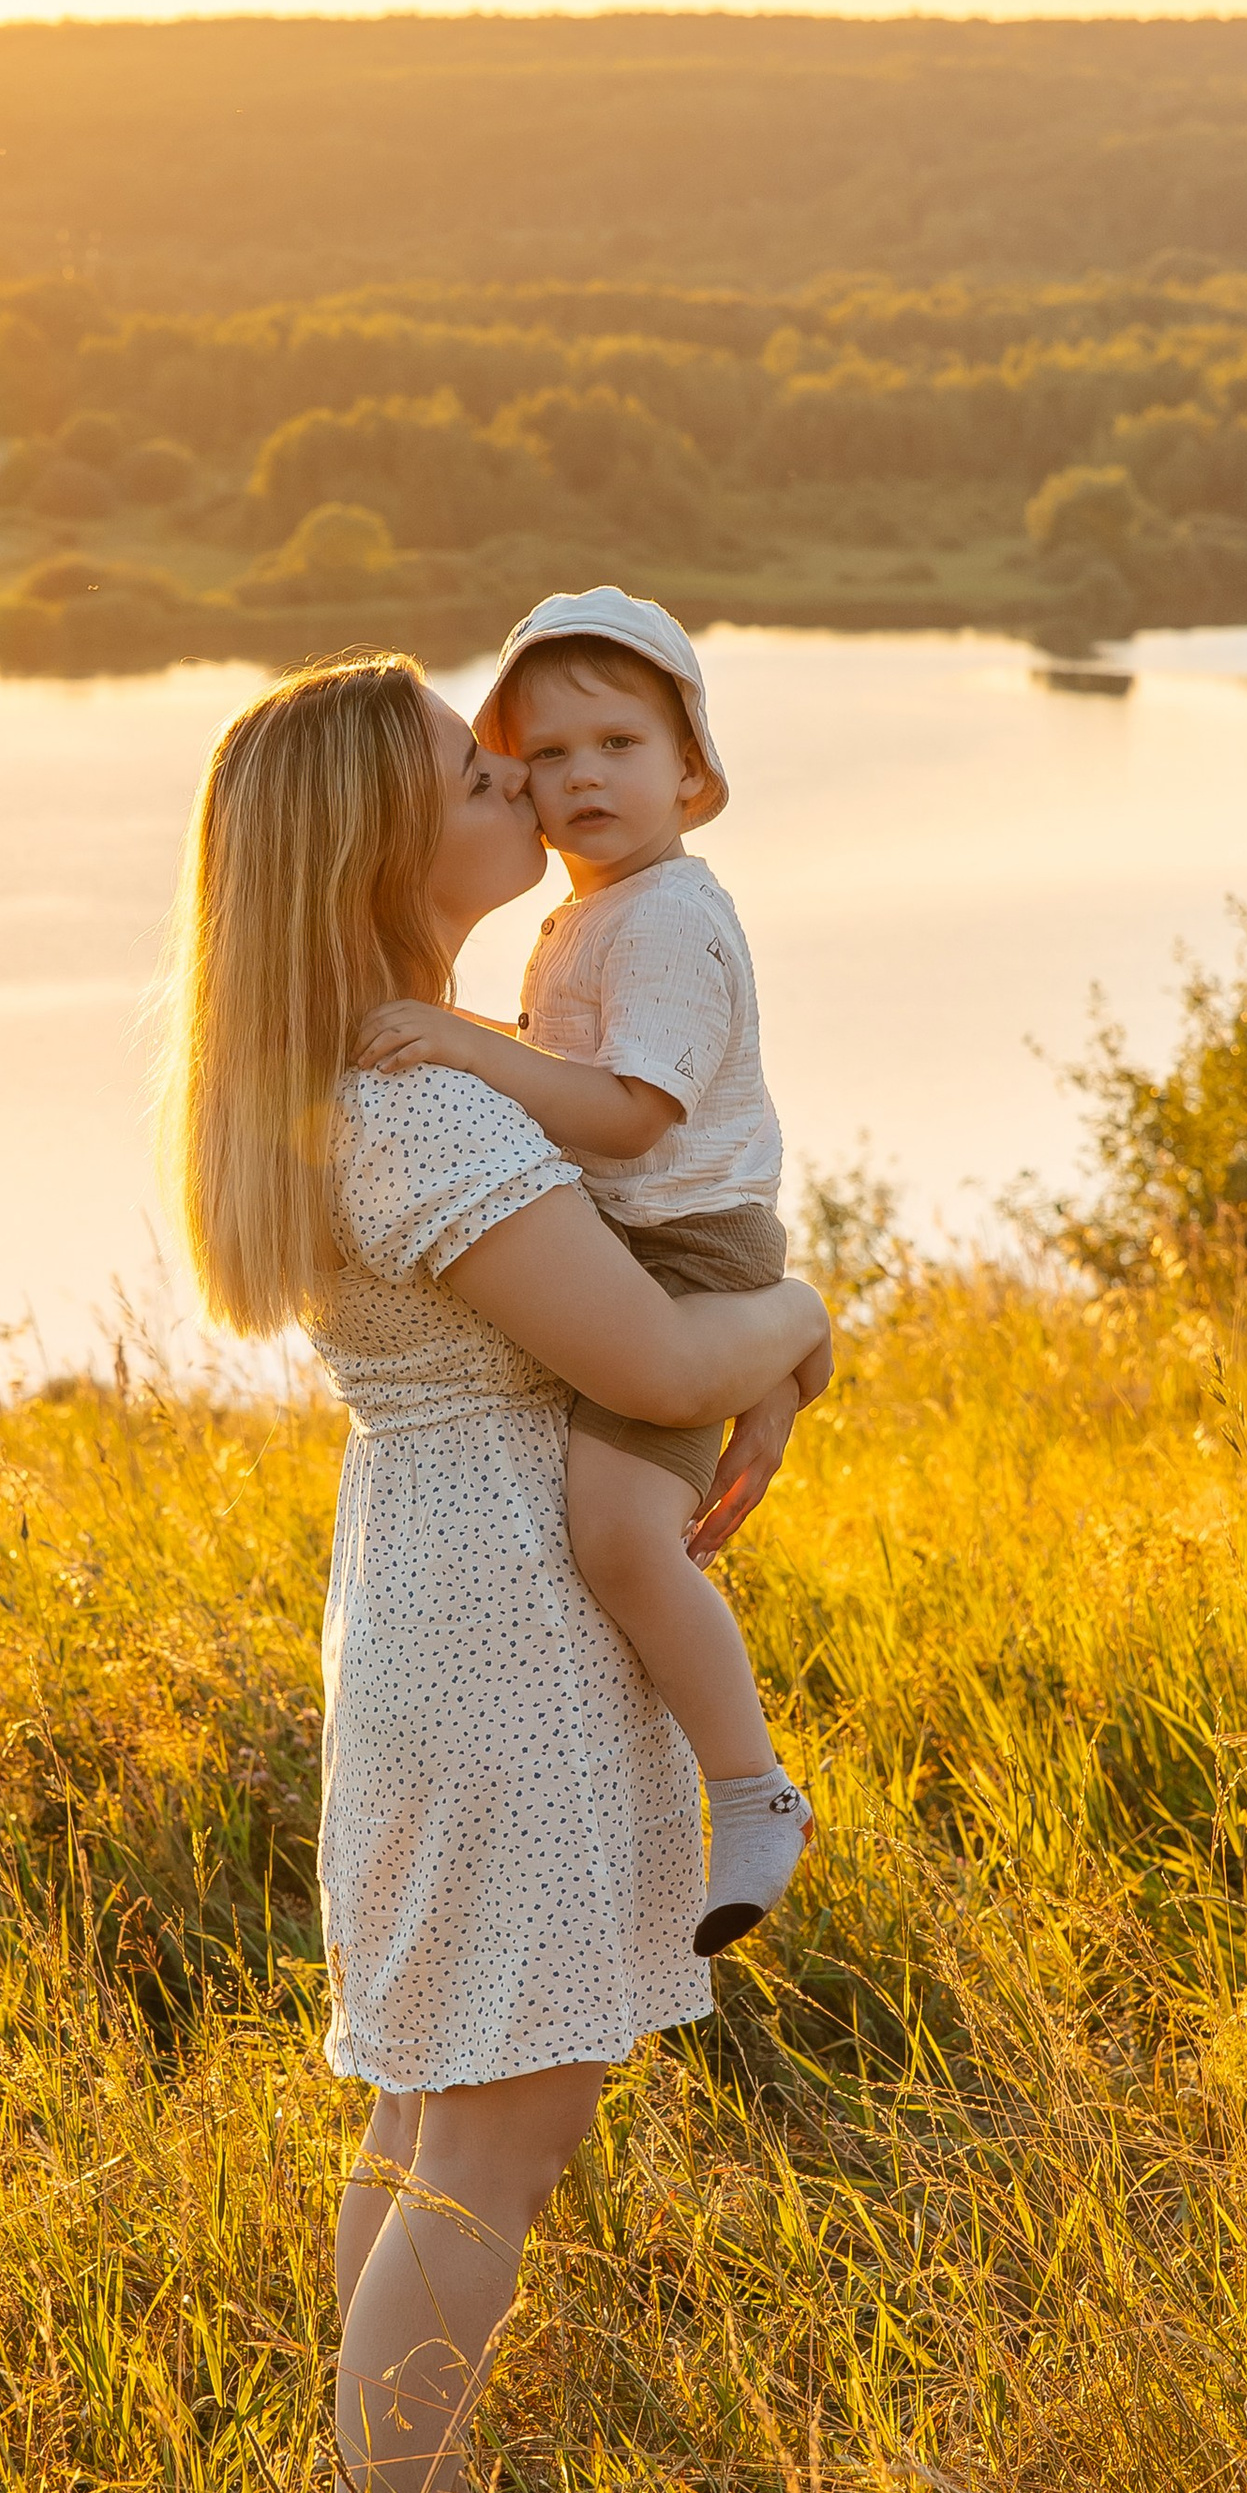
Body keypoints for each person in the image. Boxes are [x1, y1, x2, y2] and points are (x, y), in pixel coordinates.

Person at [161, 650, 830, 2493]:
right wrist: (790, 1328)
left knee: (432, 2112)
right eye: (476, 768)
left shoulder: (382, 1078)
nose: (522, 777)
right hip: (499, 1631)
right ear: (382, 841)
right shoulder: (424, 1114)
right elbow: (638, 1344)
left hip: (439, 1597)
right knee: (492, 2149)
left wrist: (752, 1349)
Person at [358, 588, 820, 1954]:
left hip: (688, 1249)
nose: (580, 778)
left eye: (618, 744)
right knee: (611, 1526)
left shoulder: (669, 917)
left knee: (624, 1530)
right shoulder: (595, 914)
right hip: (644, 1248)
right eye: (546, 757)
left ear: (693, 772)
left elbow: (628, 1114)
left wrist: (459, 1042)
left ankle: (750, 1788)